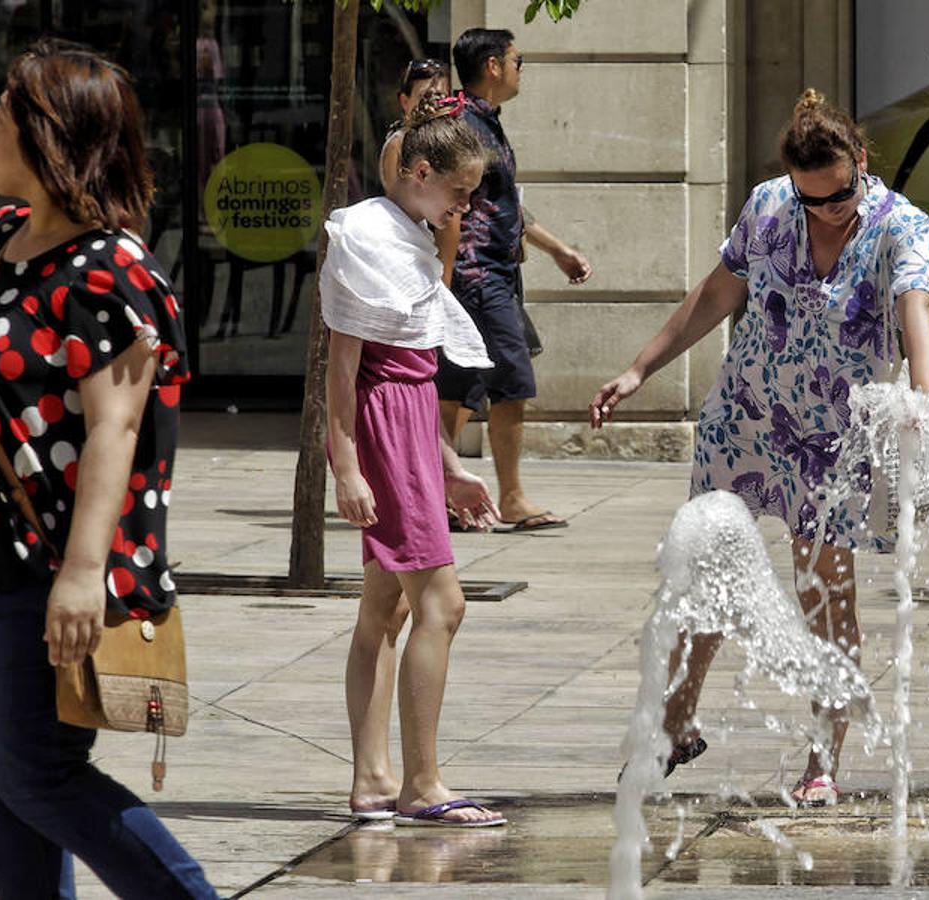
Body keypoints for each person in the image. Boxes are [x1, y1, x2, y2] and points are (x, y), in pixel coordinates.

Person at [0, 41, 217, 898]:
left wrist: (84, 576)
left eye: (4, 113)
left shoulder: (107, 269)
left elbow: (116, 434)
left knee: (39, 777)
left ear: (52, 136)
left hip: (43, 569)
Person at [591, 89, 929, 807]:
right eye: (813, 199)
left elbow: (917, 313)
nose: (829, 210)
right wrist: (639, 367)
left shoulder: (900, 225)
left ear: (861, 162)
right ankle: (677, 723)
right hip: (744, 419)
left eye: (841, 192)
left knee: (824, 597)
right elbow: (717, 293)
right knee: (707, 571)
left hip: (831, 441)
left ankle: (822, 762)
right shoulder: (768, 207)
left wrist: (925, 399)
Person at [322, 91, 507, 827]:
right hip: (382, 430)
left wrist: (447, 464)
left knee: (384, 607)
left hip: (404, 426)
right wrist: (347, 467)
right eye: (458, 192)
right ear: (421, 171)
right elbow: (344, 369)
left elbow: (409, 368)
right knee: (443, 603)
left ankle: (373, 780)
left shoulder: (408, 232)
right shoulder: (367, 235)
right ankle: (421, 784)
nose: (464, 208)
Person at [435, 27, 592, 533]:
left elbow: (506, 206)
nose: (523, 68)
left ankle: (443, 496)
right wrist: (446, 276)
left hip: (489, 273)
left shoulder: (484, 123)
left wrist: (558, 251)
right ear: (494, 66)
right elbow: (453, 205)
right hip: (477, 276)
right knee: (510, 383)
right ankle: (512, 498)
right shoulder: (462, 126)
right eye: (518, 60)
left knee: (458, 387)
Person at [379, 60, 461, 307]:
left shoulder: (447, 142)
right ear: (404, 101)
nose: (432, 104)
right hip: (415, 269)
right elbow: (402, 215)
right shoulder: (400, 144)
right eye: (425, 97)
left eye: (440, 97)